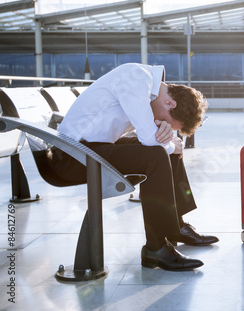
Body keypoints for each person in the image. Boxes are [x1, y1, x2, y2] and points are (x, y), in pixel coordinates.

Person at [51, 63, 218, 271]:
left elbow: (152, 138)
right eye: (164, 119)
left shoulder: (149, 89)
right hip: (70, 156)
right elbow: (149, 138)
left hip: (91, 148)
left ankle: (177, 225)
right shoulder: (137, 78)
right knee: (157, 154)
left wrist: (171, 143)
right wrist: (170, 144)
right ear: (170, 103)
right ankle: (156, 248)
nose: (159, 121)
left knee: (166, 150)